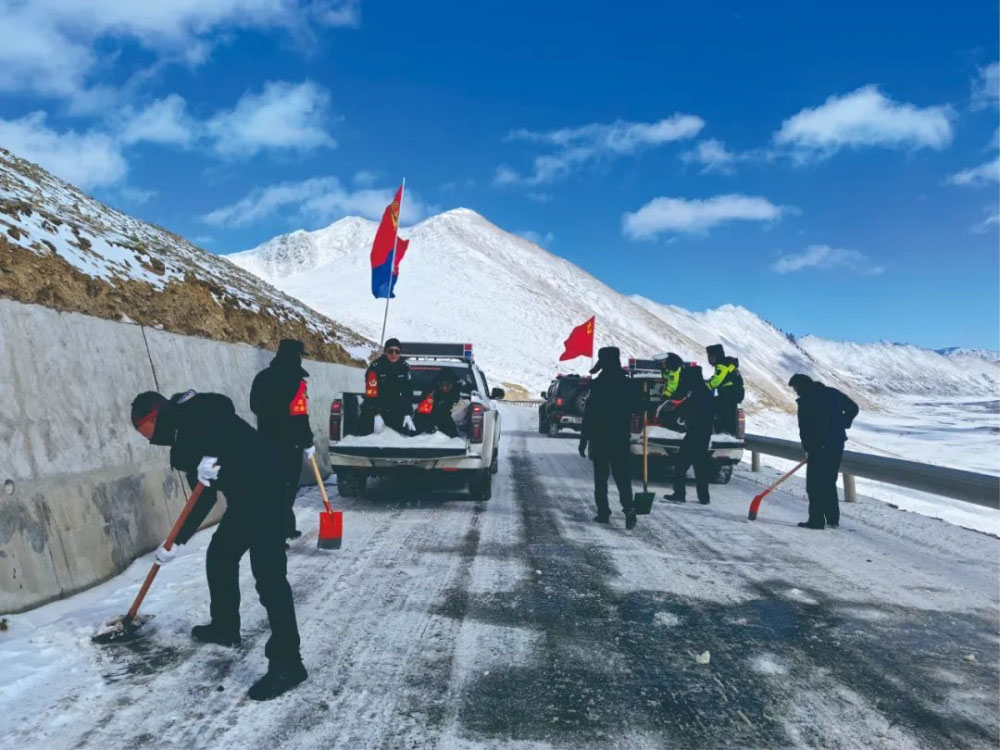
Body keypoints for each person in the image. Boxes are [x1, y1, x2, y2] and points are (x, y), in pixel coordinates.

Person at [130, 389, 306, 701]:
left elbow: (220, 406)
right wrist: (176, 542)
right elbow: (203, 495)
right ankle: (225, 626)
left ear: (153, 417)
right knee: (220, 555)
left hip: (267, 489)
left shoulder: (192, 411)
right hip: (244, 499)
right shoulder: (180, 445)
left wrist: (213, 452)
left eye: (142, 430)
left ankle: (288, 664)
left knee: (269, 577)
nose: (146, 439)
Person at [250, 339, 315, 541]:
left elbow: (254, 406)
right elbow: (300, 415)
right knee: (287, 487)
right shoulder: (296, 382)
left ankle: (285, 527)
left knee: (272, 486)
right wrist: (308, 442)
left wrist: (273, 415)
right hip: (290, 443)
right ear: (297, 356)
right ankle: (277, 533)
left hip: (266, 441)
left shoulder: (262, 377)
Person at [789, 374, 859, 530]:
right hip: (836, 445)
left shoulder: (807, 400)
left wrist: (809, 448)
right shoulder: (832, 393)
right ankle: (833, 519)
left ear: (801, 386)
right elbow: (853, 408)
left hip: (819, 447)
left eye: (795, 388)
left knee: (814, 485)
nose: (796, 392)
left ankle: (816, 521)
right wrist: (843, 423)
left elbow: (806, 429)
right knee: (828, 482)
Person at [578, 347, 639, 529]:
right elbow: (638, 407)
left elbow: (588, 415)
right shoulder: (628, 384)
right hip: (620, 439)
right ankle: (629, 510)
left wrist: (583, 440)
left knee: (601, 478)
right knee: (623, 478)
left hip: (599, 439)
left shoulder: (597, 385)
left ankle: (603, 513)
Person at [661, 364, 715, 505]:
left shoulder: (696, 394)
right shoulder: (705, 392)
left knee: (681, 464)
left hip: (694, 434)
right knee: (701, 466)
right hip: (704, 434)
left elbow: (686, 410)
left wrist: (677, 412)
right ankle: (704, 497)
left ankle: (679, 494)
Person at [361, 338, 416, 435]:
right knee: (365, 434)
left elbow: (407, 392)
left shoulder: (404, 367)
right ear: (385, 352)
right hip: (375, 408)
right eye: (390, 351)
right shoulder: (375, 367)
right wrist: (376, 414)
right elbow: (371, 392)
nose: (393, 354)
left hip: (395, 410)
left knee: (408, 434)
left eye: (397, 351)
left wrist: (407, 413)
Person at [705, 344, 744, 436]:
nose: (710, 360)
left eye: (712, 357)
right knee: (719, 406)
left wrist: (703, 386)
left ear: (717, 356)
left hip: (730, 394)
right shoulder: (725, 364)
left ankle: (725, 432)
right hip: (733, 393)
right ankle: (722, 430)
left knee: (717, 406)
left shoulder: (722, 366)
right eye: (709, 357)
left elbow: (716, 382)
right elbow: (716, 378)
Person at [413, 368, 461, 437]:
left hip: (446, 417)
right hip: (428, 415)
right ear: (438, 384)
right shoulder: (430, 390)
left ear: (452, 384)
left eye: (447, 386)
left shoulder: (456, 390)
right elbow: (422, 408)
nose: (444, 388)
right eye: (442, 385)